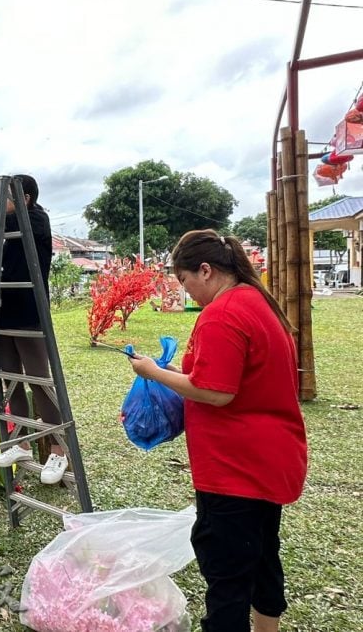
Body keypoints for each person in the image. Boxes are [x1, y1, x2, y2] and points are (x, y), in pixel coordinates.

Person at [128, 229, 307, 632]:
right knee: (261, 556)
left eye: (185, 281)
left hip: (235, 470)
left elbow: (215, 392)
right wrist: (173, 373)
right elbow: (223, 375)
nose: (187, 292)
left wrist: (152, 372)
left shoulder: (223, 313)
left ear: (205, 270)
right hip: (268, 461)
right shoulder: (255, 300)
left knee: (227, 574)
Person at [0, 174, 68, 485]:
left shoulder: (36, 220)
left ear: (25, 198)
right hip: (0, 316)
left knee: (39, 382)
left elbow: (8, 219)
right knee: (10, 381)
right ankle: (21, 443)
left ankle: (58, 449)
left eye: (2, 198)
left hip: (28, 316)